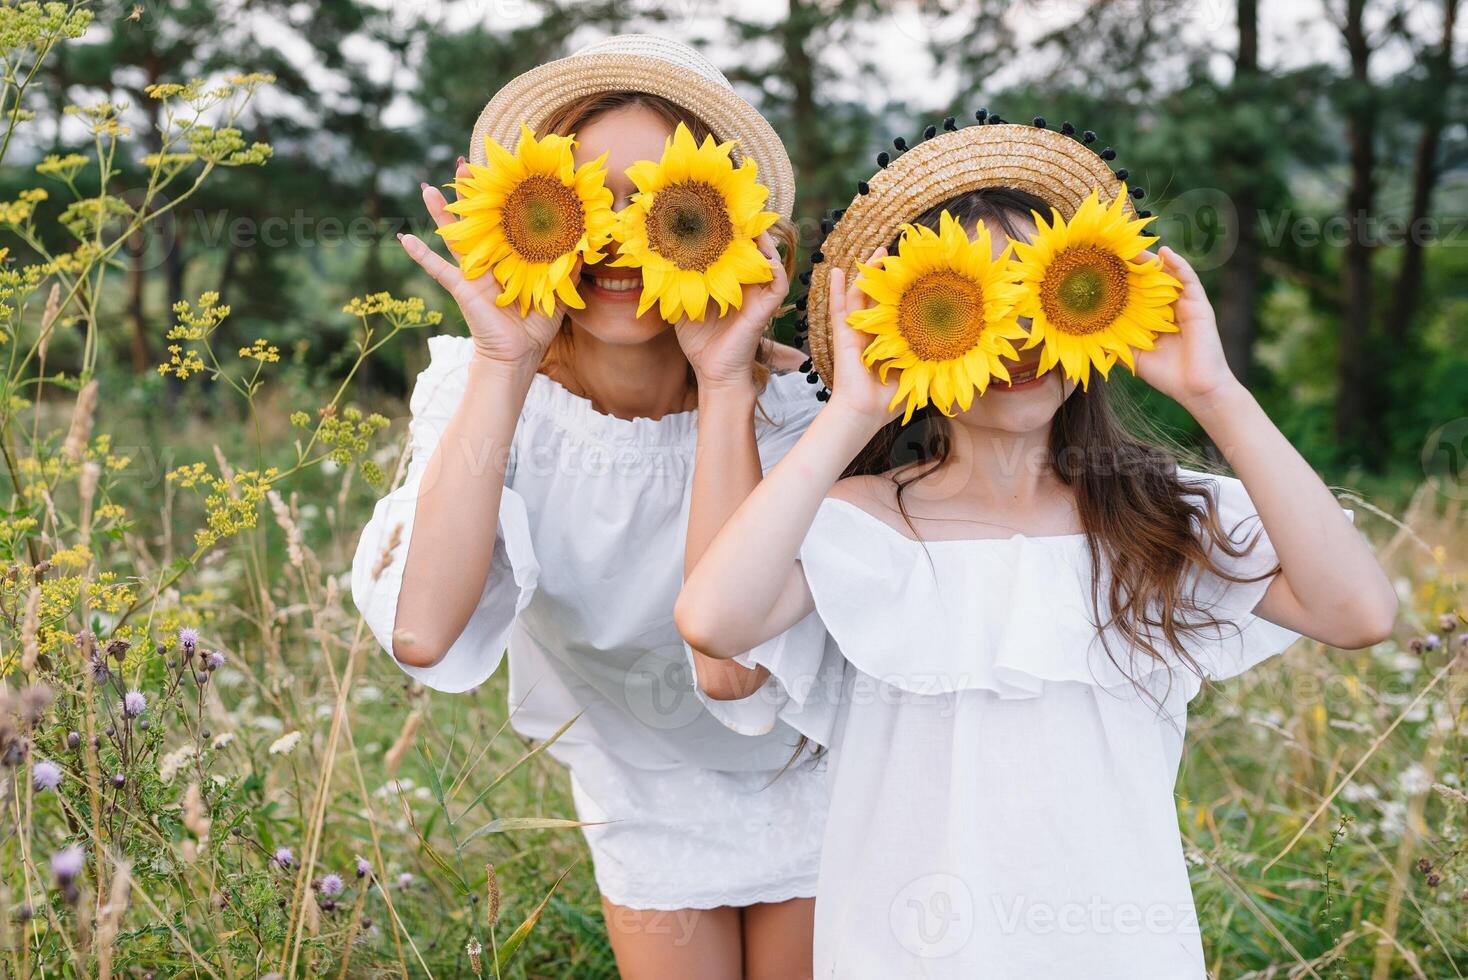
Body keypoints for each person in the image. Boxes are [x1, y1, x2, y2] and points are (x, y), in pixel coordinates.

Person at [675, 117, 1397, 978]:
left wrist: (1216, 393)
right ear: (902, 331)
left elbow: (1358, 612)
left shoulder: (1156, 515)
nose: (1018, 337)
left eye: (1045, 294)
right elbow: (714, 622)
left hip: (1121, 951)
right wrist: (855, 413)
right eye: (972, 304)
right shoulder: (862, 523)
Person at [351, 35, 822, 980]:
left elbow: (730, 665)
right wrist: (503, 360)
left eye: (664, 207)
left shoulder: (795, 410)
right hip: (640, 781)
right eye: (585, 201)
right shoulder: (483, 393)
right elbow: (423, 631)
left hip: (820, 768)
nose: (616, 238)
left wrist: (725, 383)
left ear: (727, 224)